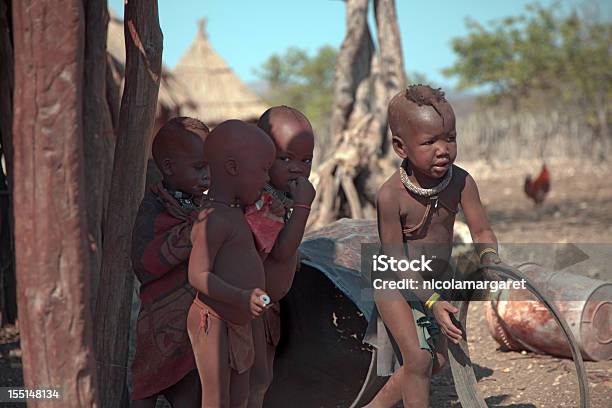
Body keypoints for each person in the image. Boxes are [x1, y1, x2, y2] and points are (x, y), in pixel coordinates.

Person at [365, 85, 501, 408]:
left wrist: (491, 260)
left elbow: (481, 229)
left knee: (437, 362)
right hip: (395, 282)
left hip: (437, 278)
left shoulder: (461, 182)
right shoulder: (390, 196)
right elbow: (395, 261)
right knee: (419, 360)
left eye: (450, 138)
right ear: (401, 147)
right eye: (429, 142)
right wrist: (432, 302)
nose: (443, 149)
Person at [187, 119, 276, 408]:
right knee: (216, 397)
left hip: (240, 317)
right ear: (233, 168)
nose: (267, 179)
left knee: (240, 396)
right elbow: (198, 275)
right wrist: (241, 296)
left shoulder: (236, 212)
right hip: (212, 319)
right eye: (263, 170)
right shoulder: (212, 218)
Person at [130, 117, 210, 408]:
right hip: (159, 319)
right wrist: (191, 234)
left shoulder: (204, 205)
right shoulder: (154, 207)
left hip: (194, 318)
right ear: (168, 167)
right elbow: (145, 261)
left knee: (190, 384)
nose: (208, 175)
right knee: (146, 385)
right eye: (200, 167)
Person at [245, 106, 316, 407]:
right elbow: (282, 250)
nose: (297, 168)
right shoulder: (259, 202)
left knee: (260, 376)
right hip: (247, 307)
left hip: (267, 307)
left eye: (306, 160)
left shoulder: (278, 200)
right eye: (285, 159)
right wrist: (303, 208)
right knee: (254, 377)